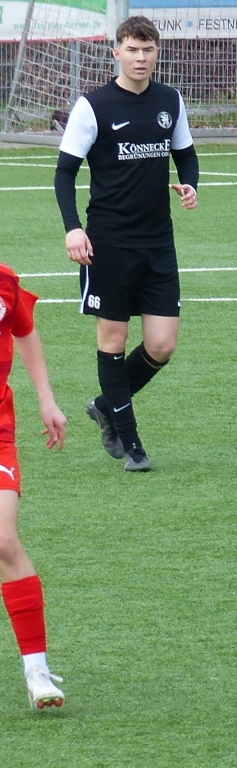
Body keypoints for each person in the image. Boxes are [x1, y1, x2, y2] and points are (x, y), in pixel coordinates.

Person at [54, 15, 198, 474]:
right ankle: (132, 444)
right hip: (109, 243)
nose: (140, 58)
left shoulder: (170, 101)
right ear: (116, 52)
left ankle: (105, 405)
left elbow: (186, 154)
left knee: (162, 344)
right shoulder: (93, 106)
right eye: (132, 49)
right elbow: (64, 173)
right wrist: (73, 228)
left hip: (158, 242)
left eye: (147, 49)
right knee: (113, 340)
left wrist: (190, 184)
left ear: (157, 53)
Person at [0, 262, 70, 708]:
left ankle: (37, 671)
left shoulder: (3, 281)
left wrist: (47, 399)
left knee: (4, 541)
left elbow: (24, 331)